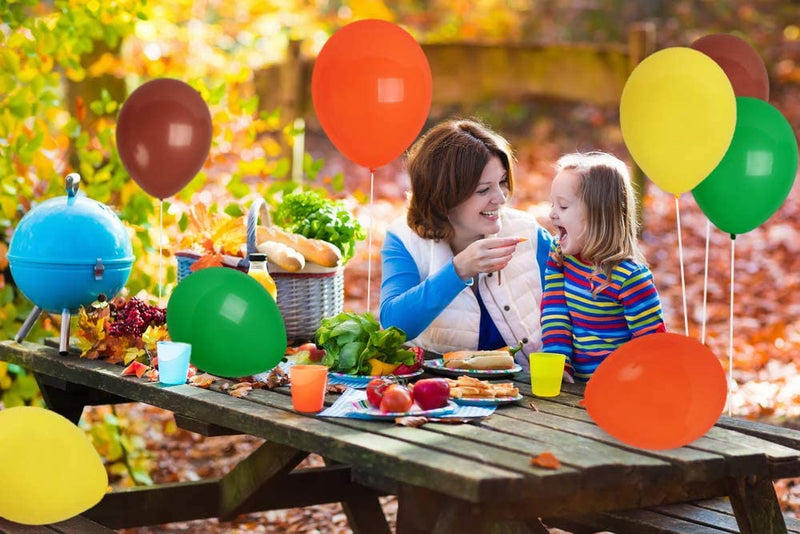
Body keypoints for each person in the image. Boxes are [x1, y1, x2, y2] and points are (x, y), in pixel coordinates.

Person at [379, 118, 554, 370]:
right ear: (444, 196)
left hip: (531, 393)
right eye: (484, 190)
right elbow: (394, 326)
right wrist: (458, 270)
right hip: (440, 390)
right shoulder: (404, 239)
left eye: (502, 182)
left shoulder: (529, 233)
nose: (501, 198)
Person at [541, 152, 666, 381]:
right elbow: (555, 310)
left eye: (563, 207)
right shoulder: (560, 256)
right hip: (574, 386)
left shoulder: (630, 278)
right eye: (553, 204)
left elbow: (652, 344)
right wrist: (559, 361)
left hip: (618, 391)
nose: (552, 214)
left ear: (598, 215)